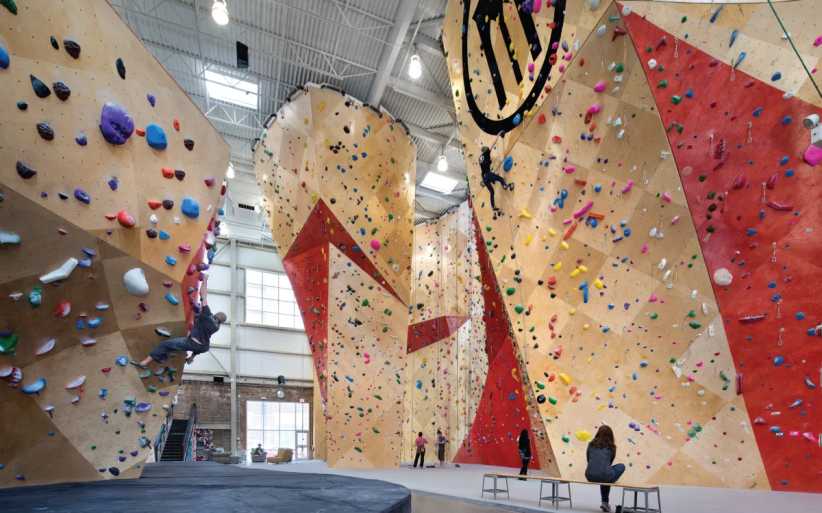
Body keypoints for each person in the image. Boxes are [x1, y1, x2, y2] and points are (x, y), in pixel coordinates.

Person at [132, 274, 226, 368]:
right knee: (178, 346)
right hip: (203, 346)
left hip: (192, 342)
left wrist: (205, 280)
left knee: (164, 344)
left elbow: (203, 294)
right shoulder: (216, 327)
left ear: (215, 315)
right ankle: (189, 358)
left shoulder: (207, 315)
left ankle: (144, 363)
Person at [585, 425, 626, 513]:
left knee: (605, 473)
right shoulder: (612, 447)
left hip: (589, 475)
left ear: (598, 433)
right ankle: (605, 502)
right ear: (610, 435)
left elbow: (588, 459)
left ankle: (605, 503)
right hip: (605, 474)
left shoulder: (591, 444)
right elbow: (610, 462)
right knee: (621, 466)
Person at [479, 146, 513, 213]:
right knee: (500, 179)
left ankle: (493, 207)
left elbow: (485, 164)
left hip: (484, 177)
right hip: (488, 174)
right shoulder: (486, 155)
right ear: (485, 151)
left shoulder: (480, 158)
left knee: (492, 192)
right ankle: (505, 186)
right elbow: (489, 154)